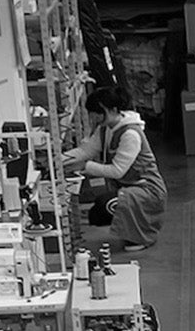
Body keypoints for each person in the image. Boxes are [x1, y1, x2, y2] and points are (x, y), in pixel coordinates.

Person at [63, 89, 167, 252]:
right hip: (128, 187)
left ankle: (143, 235)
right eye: (92, 113)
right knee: (98, 211)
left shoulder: (130, 134)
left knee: (109, 204)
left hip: (148, 190)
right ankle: (132, 230)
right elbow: (86, 150)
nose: (94, 117)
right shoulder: (105, 128)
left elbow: (117, 170)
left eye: (98, 112)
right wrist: (57, 159)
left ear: (112, 109)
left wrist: (85, 167)